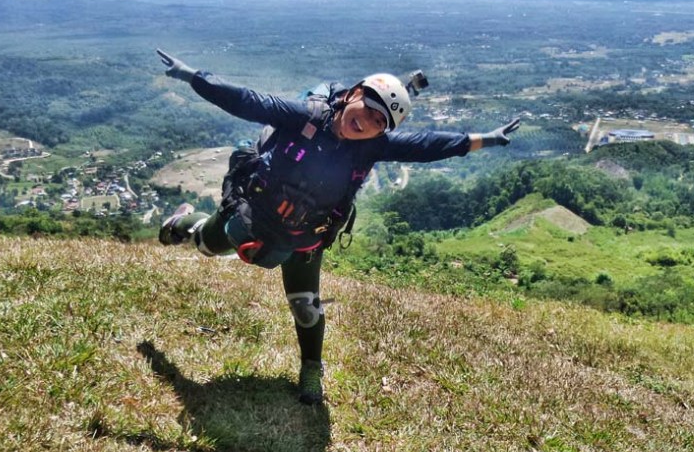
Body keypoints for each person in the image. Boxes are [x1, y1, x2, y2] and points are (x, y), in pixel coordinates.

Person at [155, 49, 520, 405]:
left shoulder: (370, 148)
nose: (370, 123)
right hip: (255, 214)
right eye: (371, 110)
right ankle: (181, 221)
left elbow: (427, 145)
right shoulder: (303, 118)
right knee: (205, 242)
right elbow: (247, 101)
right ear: (355, 94)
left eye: (382, 123)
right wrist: (192, 76)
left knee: (306, 306)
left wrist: (488, 138)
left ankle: (311, 369)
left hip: (306, 236)